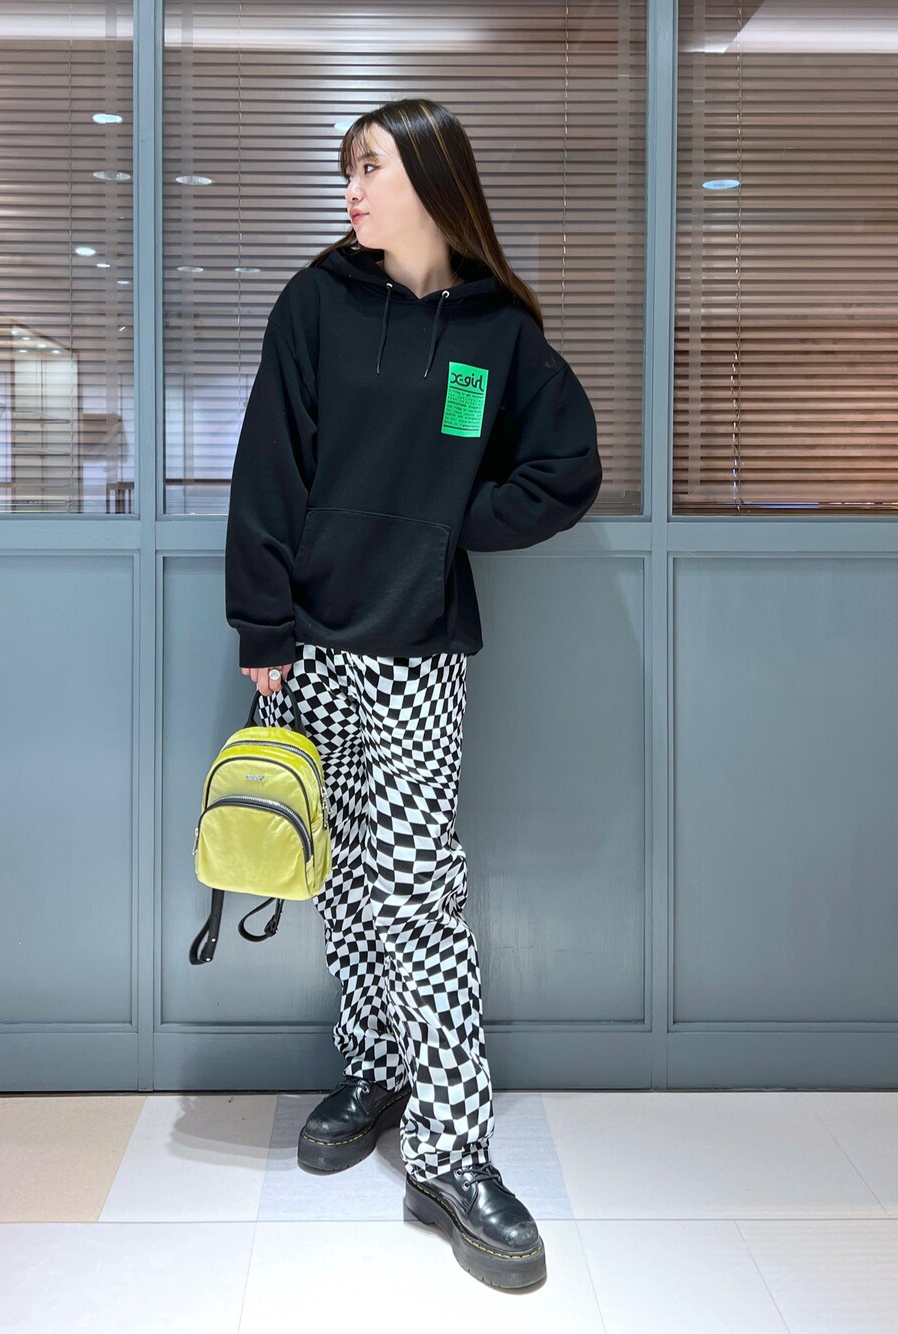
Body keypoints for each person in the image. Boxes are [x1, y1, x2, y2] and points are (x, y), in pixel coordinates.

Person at [224, 97, 602, 1291]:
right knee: (340, 879)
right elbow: (267, 466)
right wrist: (261, 621)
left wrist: (453, 522)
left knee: (419, 892)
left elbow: (568, 466)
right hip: (308, 649)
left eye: (370, 168)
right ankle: (375, 1064)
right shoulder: (316, 303)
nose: (350, 190)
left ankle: (449, 1151)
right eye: (346, 170)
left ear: (433, 181)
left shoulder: (496, 329)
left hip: (419, 651)